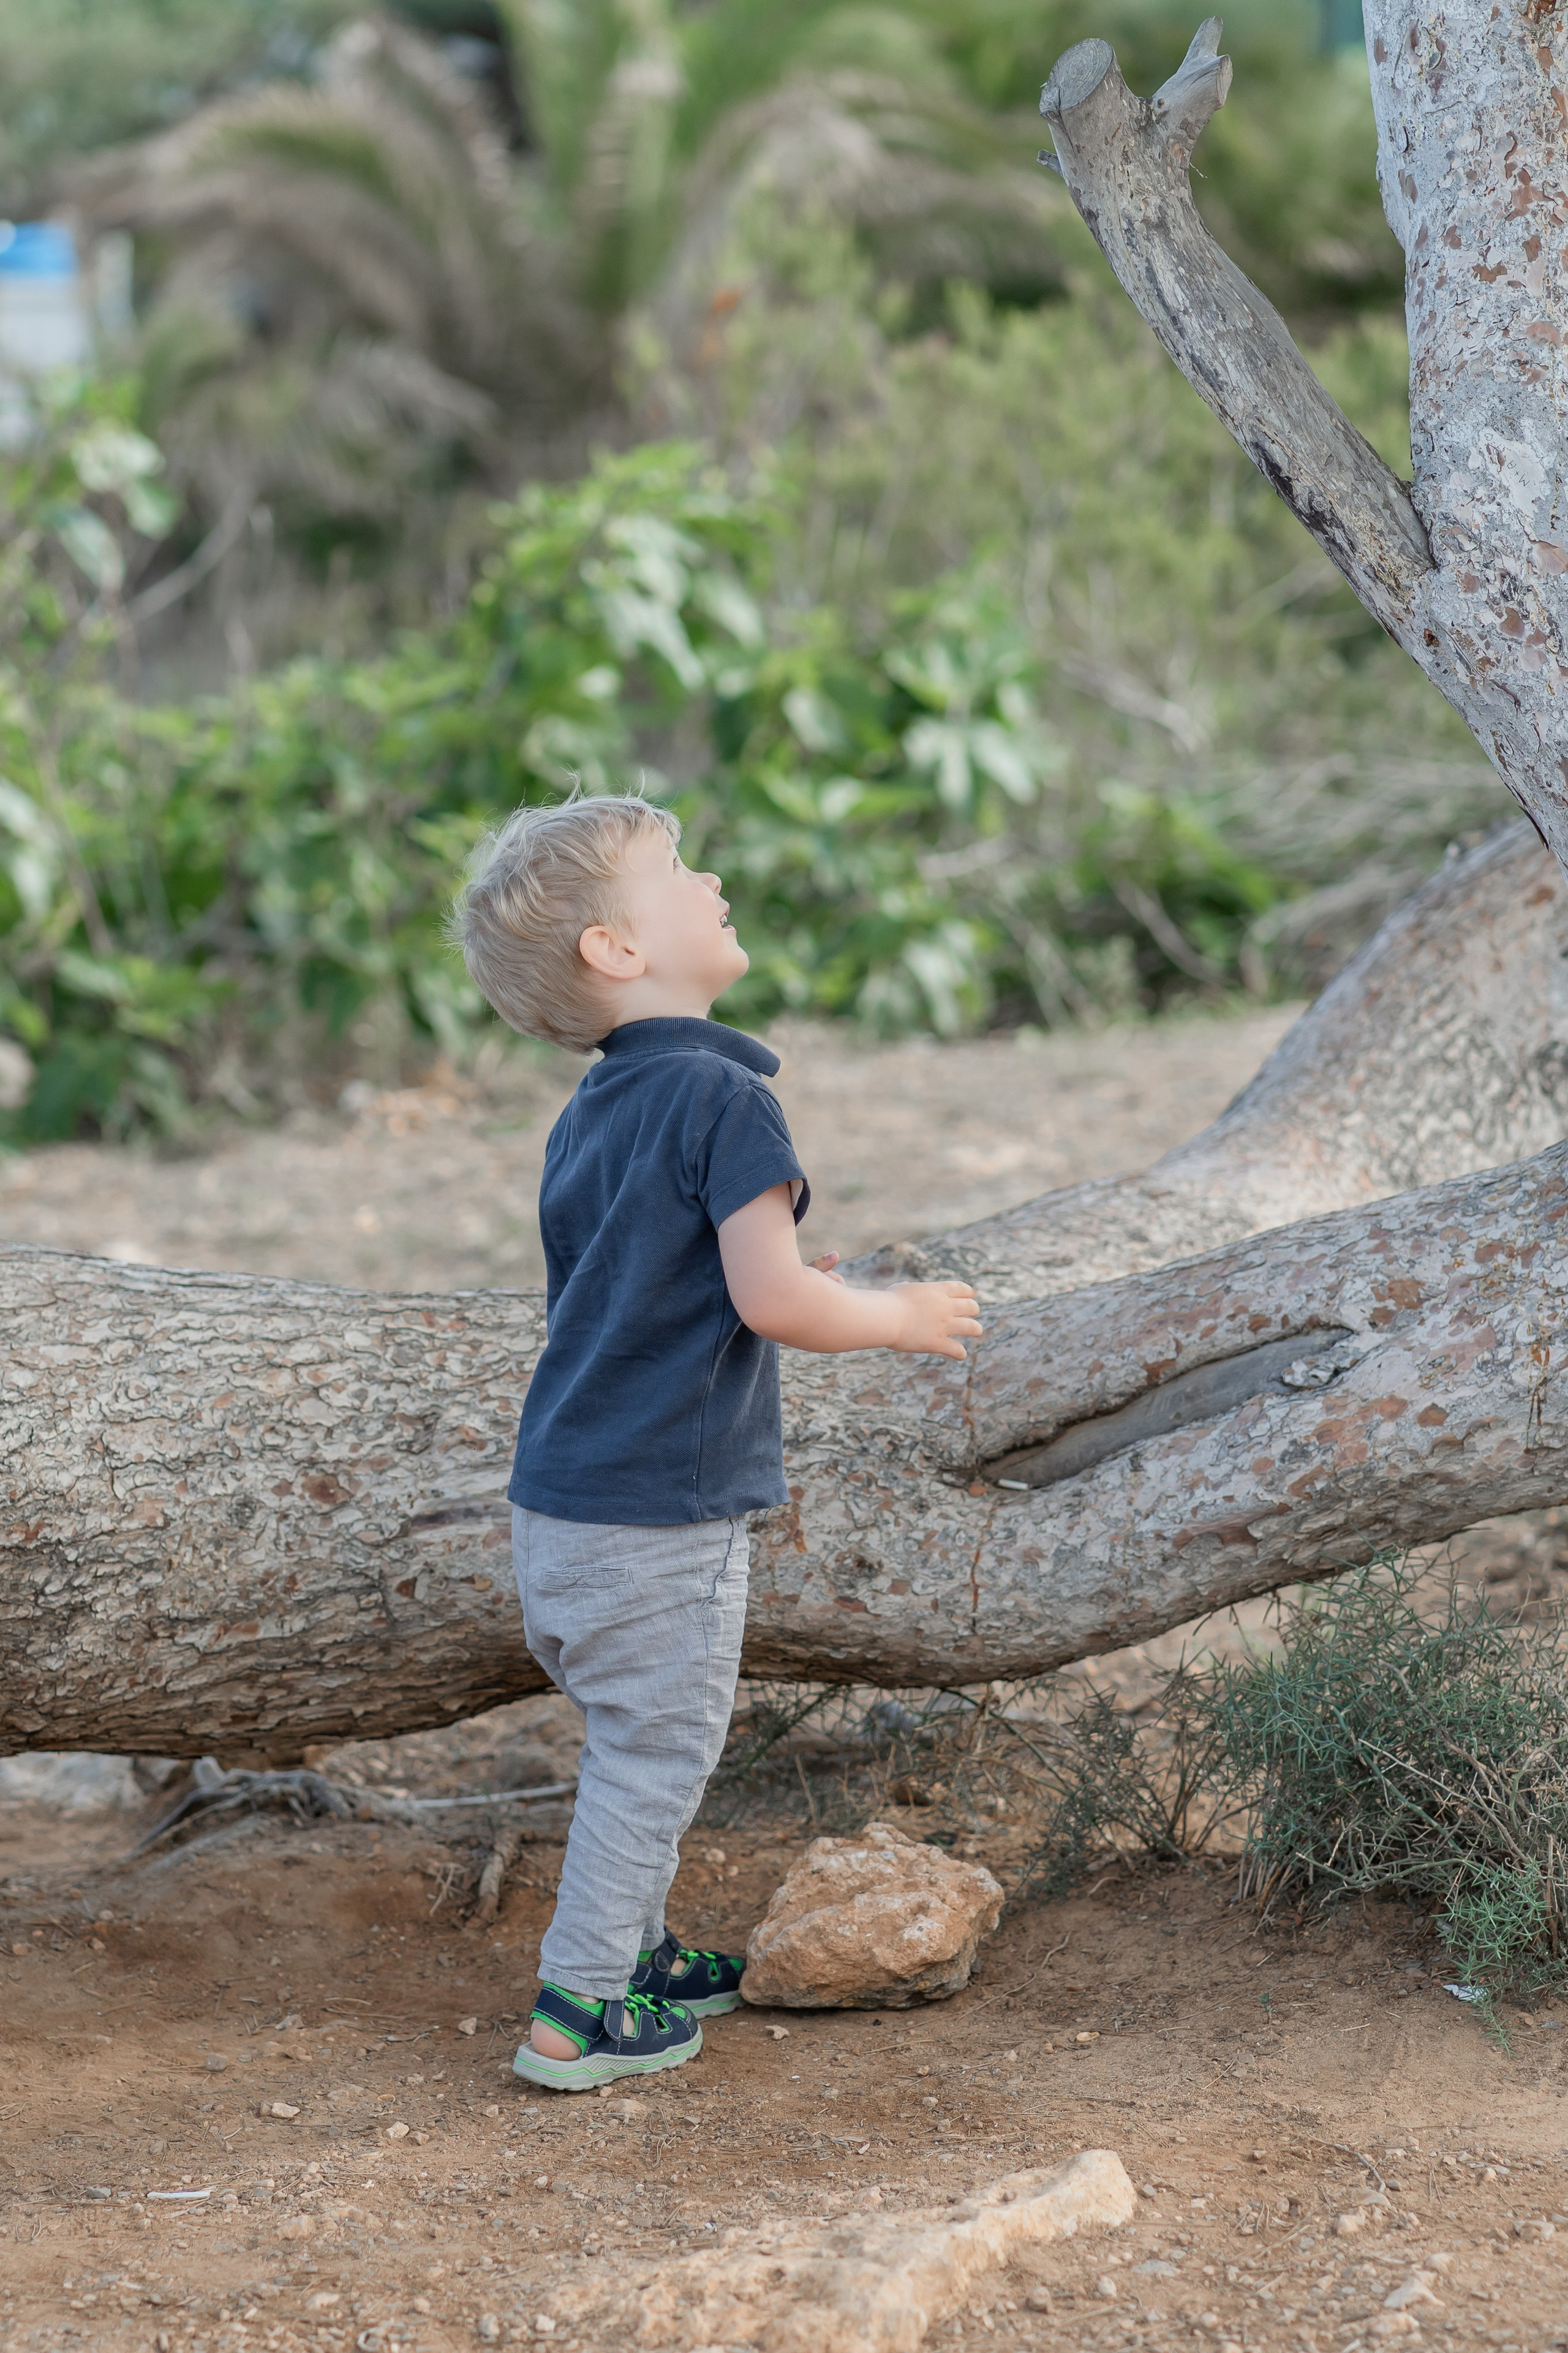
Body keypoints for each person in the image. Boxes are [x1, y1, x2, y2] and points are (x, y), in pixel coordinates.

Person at [450, 795, 982, 2091]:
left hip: (560, 1505)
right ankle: (579, 2006)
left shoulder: (595, 1109)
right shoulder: (725, 1095)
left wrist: (800, 1269)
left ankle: (632, 1952)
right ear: (615, 950)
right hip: (656, 1518)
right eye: (677, 868)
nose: (712, 876)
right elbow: (772, 1302)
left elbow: (656, 1278)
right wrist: (895, 1316)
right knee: (655, 1751)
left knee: (636, 1736)